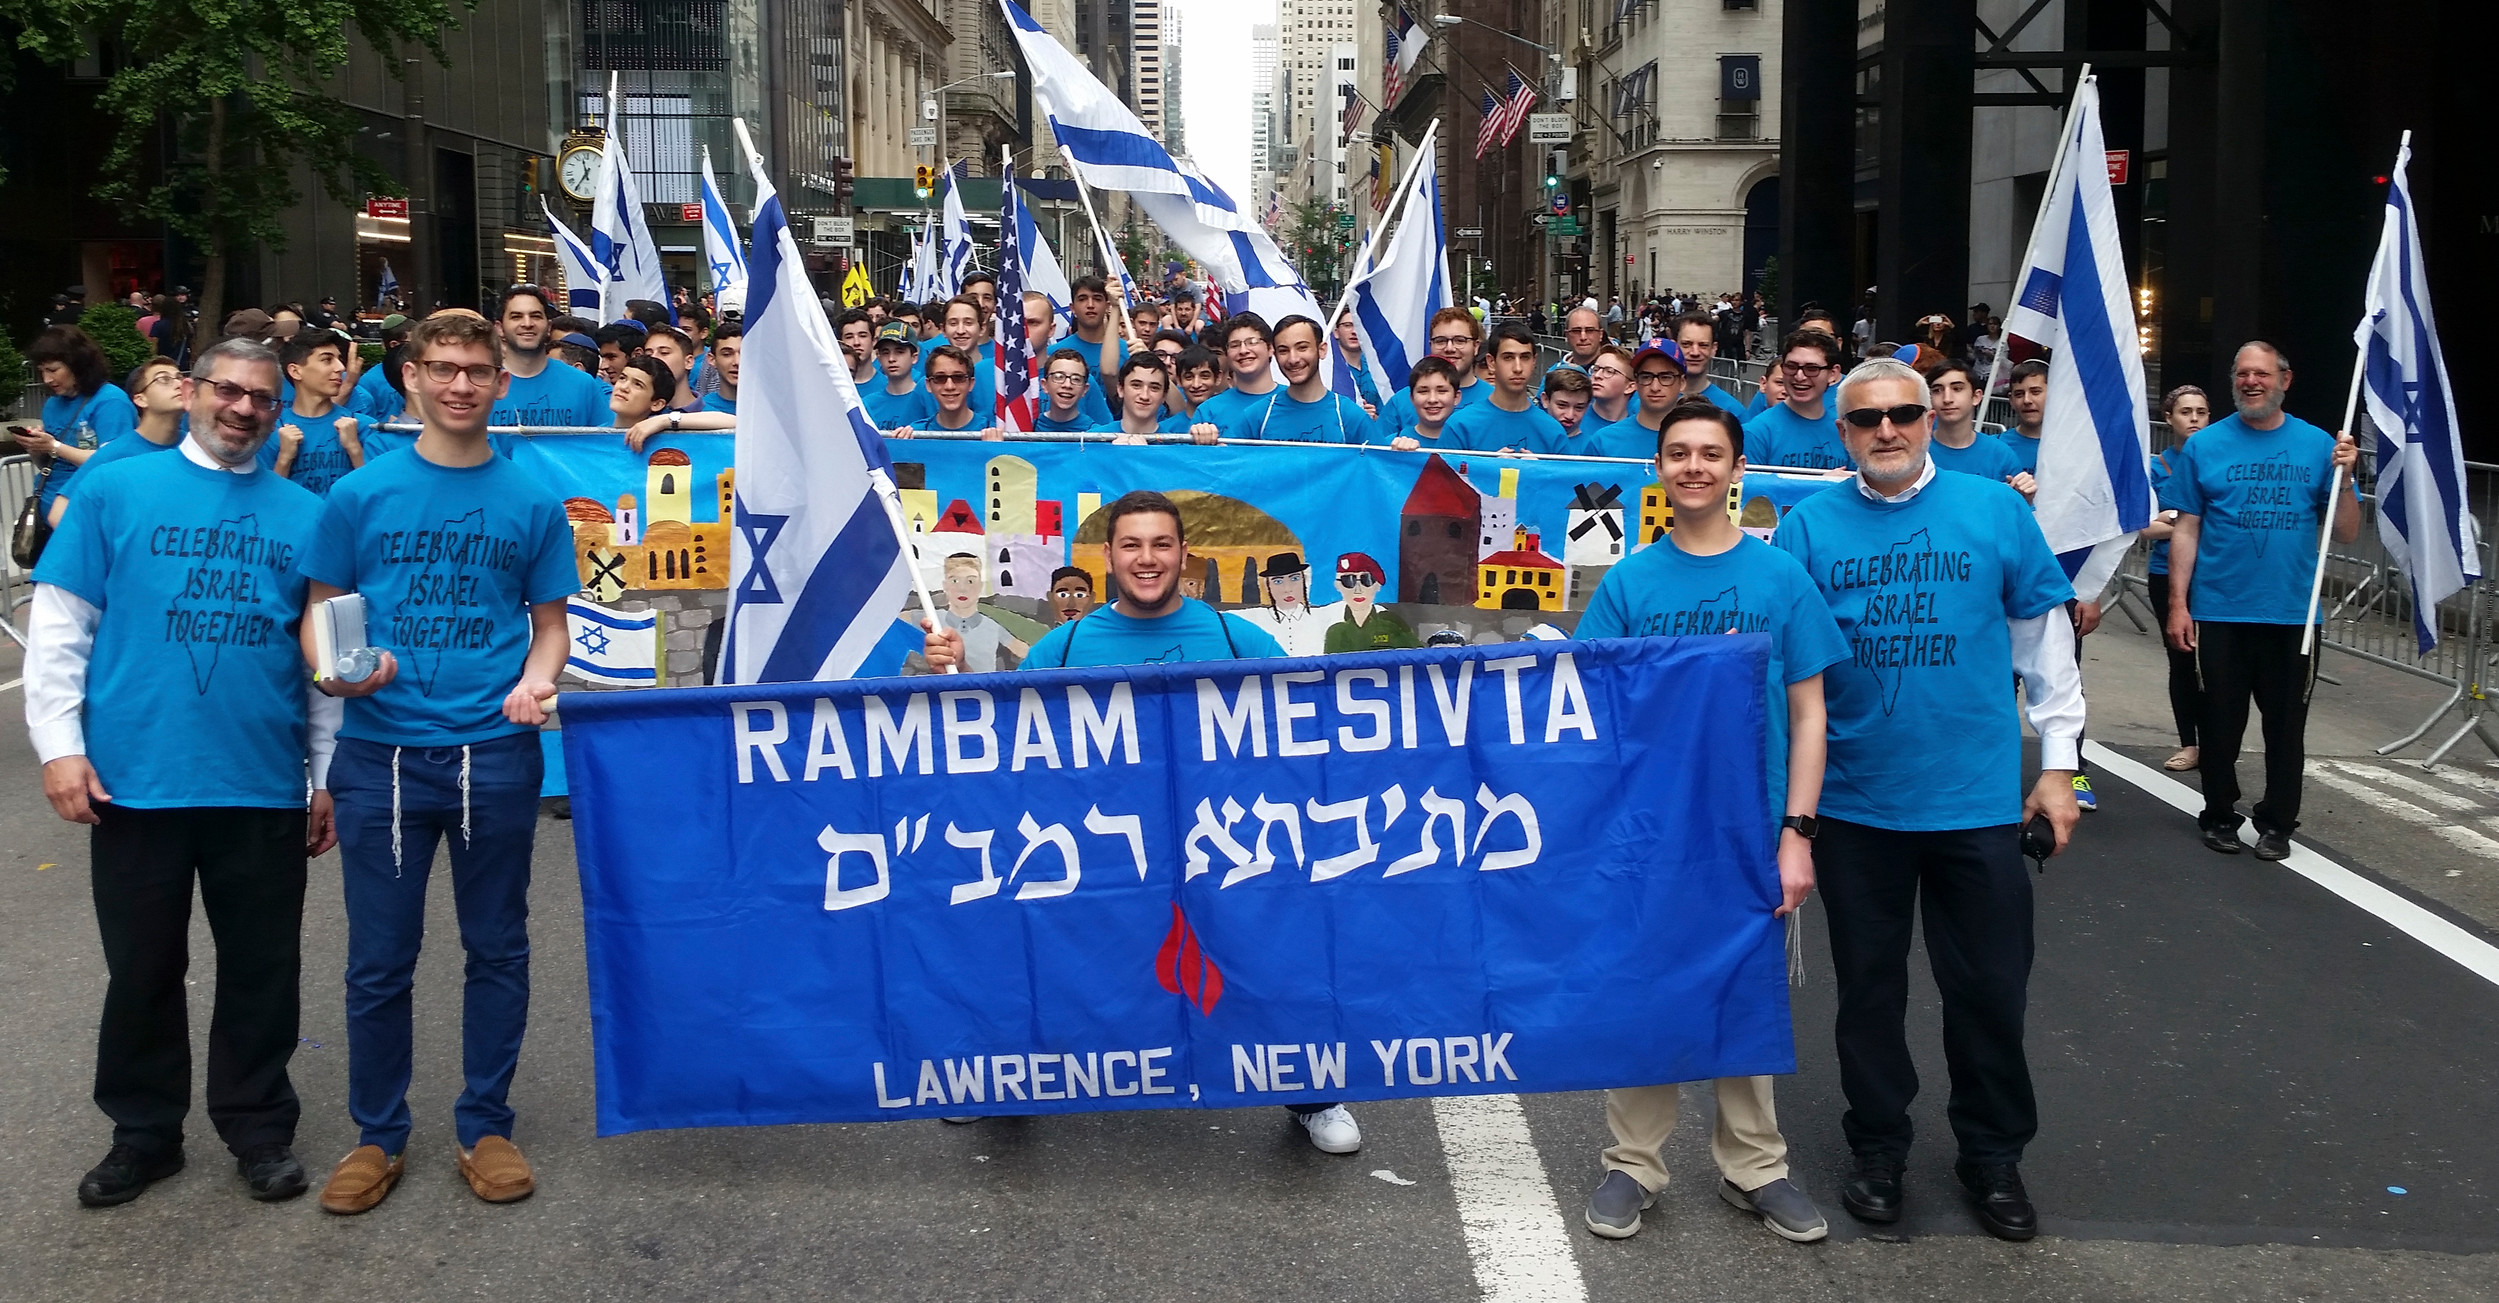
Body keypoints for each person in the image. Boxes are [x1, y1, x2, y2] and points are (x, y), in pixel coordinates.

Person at [921, 491, 1364, 1156]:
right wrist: (952, 671)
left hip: (1215, 848)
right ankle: (1003, 1080)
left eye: (1161, 544)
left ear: (1183, 554)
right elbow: (1000, 732)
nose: (1147, 558)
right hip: (1096, 850)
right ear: (1109, 556)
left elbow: (1307, 716)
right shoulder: (1063, 645)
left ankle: (1308, 1091)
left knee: (1261, 957)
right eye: (1132, 544)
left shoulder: (1233, 637)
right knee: (1036, 944)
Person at [1771, 357, 2083, 1243]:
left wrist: (2059, 768)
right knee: (1867, 991)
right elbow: (1781, 676)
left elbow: (2044, 648)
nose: (1886, 431)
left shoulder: (1995, 511)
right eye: (1865, 419)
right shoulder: (1804, 528)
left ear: (1926, 418)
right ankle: (1877, 1147)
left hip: (1977, 803)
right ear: (1842, 433)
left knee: (1988, 990)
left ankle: (1991, 1154)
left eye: (1902, 413)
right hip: (1857, 805)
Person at [27, 337, 335, 1209]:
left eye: (261, 399)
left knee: (261, 966)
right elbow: (60, 628)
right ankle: (144, 1131)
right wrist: (60, 747)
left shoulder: (306, 515)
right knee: (142, 967)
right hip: (135, 777)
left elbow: (317, 660)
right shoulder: (113, 488)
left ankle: (258, 1124)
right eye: (228, 391)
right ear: (194, 390)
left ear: (279, 411)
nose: (243, 409)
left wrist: (326, 775)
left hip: (260, 780)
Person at [300, 311, 579, 1214]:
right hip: (379, 755)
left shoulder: (531, 501)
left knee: (496, 945)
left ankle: (484, 1124)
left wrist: (537, 684)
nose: (461, 385)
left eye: (477, 371)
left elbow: (549, 627)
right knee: (379, 958)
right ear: (411, 377)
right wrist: (335, 671)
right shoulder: (360, 494)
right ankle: (376, 1135)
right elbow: (322, 608)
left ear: (501, 381)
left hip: (493, 753)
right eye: (444, 369)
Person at [1575, 401, 1844, 1245]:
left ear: (1735, 469)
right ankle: (1634, 1162)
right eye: (1678, 453)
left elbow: (1808, 715)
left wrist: (1796, 830)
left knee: (1741, 994)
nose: (1693, 466)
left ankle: (1754, 1166)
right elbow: (1588, 708)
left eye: (1710, 454)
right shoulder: (1627, 584)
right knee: (1643, 990)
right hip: (1649, 832)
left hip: (1750, 827)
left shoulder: (1779, 579)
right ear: (1657, 467)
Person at [2161, 342, 2362, 861]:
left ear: (2285, 381)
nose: (2252, 382)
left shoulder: (2320, 447)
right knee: (2220, 725)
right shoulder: (2205, 446)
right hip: (2220, 611)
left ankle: (2277, 823)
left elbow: (2344, 533)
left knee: (2286, 728)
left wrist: (2347, 479)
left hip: (2293, 614)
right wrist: (2179, 605)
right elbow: (2187, 528)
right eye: (2242, 374)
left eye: (2262, 374)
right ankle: (2220, 815)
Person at [2145, 385, 2213, 773]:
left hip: (2217, 574)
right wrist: (2185, 523)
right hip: (2167, 574)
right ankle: (2190, 742)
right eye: (2185, 412)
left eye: (2201, 412)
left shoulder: (2218, 459)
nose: (2194, 419)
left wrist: (2176, 516)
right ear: (2169, 418)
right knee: (2183, 659)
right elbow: (2143, 525)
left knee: (2218, 662)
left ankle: (2216, 740)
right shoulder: (2158, 466)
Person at [17, 326, 139, 523]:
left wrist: (54, 446)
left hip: (89, 512)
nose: (47, 379)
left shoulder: (111, 401)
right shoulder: (52, 404)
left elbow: (112, 462)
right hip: (46, 507)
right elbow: (48, 464)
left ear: (77, 364)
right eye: (42, 372)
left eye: (53, 370)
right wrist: (36, 447)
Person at [1219, 315, 1378, 445]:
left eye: (1302, 347)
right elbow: (1227, 468)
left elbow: (1383, 468)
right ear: (1274, 354)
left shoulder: (1348, 415)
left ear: (1322, 350)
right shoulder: (1258, 416)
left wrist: (1401, 447)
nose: (1293, 359)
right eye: (1283, 351)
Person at [264, 329, 372, 497]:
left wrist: (354, 449)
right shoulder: (270, 430)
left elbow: (375, 495)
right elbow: (266, 501)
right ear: (295, 371)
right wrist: (284, 459)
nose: (341, 368)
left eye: (339, 359)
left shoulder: (362, 426)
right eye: (327, 360)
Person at [60, 359, 186, 501]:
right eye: (164, 379)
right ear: (140, 399)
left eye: (180, 377)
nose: (179, 384)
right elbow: (61, 508)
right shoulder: (117, 452)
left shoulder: (198, 446)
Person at [488, 287, 610, 428]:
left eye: (536, 316)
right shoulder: (480, 386)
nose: (527, 324)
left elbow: (611, 440)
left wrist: (642, 424)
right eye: (516, 317)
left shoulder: (583, 384)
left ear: (549, 326)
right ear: (499, 328)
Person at [1442, 322, 1566, 453]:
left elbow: (1567, 473)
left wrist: (1536, 471)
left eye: (1525, 357)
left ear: (1534, 361)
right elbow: (1439, 473)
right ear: (1491, 362)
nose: (1517, 368)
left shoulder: (1553, 431)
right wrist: (1491, 469)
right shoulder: (1461, 425)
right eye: (1508, 358)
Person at [1742, 331, 1851, 471]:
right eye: (1791, 367)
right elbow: (1752, 491)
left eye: (1812, 368)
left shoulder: (1845, 431)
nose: (1800, 376)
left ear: (1833, 374)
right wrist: (1820, 485)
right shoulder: (1756, 432)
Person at [1377, 309, 1488, 436]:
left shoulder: (1493, 400)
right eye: (1441, 341)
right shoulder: (1400, 402)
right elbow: (1377, 451)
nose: (1450, 348)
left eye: (1460, 340)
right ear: (1430, 345)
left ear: (1476, 346)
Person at [1923, 361, 2024, 488]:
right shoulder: (1916, 451)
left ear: (1976, 397)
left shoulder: (2000, 454)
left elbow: (2017, 504)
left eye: (1957, 389)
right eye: (1937, 390)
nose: (1947, 399)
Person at [1587, 342, 1683, 461]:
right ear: (1636, 382)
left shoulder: (1700, 439)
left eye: (1666, 377)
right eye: (1646, 377)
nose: (1655, 387)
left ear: (1682, 382)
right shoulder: (1603, 441)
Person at [1190, 313, 1283, 434]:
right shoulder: (1208, 412)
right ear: (1227, 353)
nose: (1243, 350)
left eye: (1252, 342)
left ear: (1270, 348)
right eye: (1234, 345)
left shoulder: (1294, 400)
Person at [1229, 551, 1330, 657]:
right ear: (1268, 586)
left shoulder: (1322, 616)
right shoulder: (1255, 617)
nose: (1287, 589)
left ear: (1304, 581)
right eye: (1278, 581)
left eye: (1294, 579)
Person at [891, 345, 1003, 440]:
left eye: (958, 377)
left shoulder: (992, 436)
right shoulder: (914, 435)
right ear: (928, 385)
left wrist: (997, 451)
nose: (950, 386)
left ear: (971, 383)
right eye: (940, 378)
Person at [1321, 551, 1417, 653]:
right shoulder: (1335, 632)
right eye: (1348, 581)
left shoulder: (1391, 624)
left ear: (1377, 586)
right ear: (1337, 586)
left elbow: (1419, 658)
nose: (1358, 590)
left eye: (1367, 580)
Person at [861, 323, 936, 429]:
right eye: (885, 352)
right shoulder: (868, 404)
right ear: (879, 358)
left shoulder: (930, 398)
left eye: (899, 352)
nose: (891, 359)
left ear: (914, 357)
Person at [1672, 313, 1747, 415]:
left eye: (1703, 345)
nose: (1695, 352)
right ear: (1673, 346)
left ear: (1714, 349)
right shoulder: (1647, 404)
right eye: (1686, 344)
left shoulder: (1733, 410)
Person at [1385, 358, 1462, 450]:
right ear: (1412, 398)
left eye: (1442, 391)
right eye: (1423, 391)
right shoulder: (1389, 444)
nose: (1432, 399)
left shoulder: (1472, 443)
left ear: (1456, 397)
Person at [1997, 360, 2050, 477]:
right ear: (2011, 400)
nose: (2027, 400)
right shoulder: (1994, 447)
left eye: (2035, 392)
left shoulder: (2070, 447)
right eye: (2019, 394)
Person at [640, 325, 706, 414]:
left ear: (688, 362)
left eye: (664, 353)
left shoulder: (712, 415)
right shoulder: (637, 412)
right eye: (648, 354)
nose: (654, 358)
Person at [1581, 345, 1638, 436]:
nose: (1597, 375)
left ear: (1630, 387)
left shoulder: (1637, 428)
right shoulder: (1574, 419)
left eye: (1609, 371)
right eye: (1595, 369)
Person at [1538, 366, 1596, 447]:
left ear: (1587, 406)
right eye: (1562, 405)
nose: (1570, 415)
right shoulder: (1528, 438)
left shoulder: (1592, 448)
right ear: (1545, 400)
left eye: (1579, 408)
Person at [1333, 313, 1381, 409]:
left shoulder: (1377, 367)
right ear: (1336, 332)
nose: (1354, 331)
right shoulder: (1328, 367)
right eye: (1348, 325)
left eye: (1359, 325)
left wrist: (1375, 418)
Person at [697, 321, 742, 414]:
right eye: (727, 354)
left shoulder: (770, 408)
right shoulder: (700, 409)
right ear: (712, 359)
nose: (737, 362)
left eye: (744, 354)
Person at [834, 308, 877, 389]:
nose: (856, 343)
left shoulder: (889, 386)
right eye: (849, 337)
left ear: (873, 341)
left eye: (862, 336)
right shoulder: (831, 386)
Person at [1558, 305, 1606, 370]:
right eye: (1576, 331)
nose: (1583, 337)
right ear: (1567, 335)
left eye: (1590, 330)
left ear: (1601, 334)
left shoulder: (1617, 373)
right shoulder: (1553, 374)